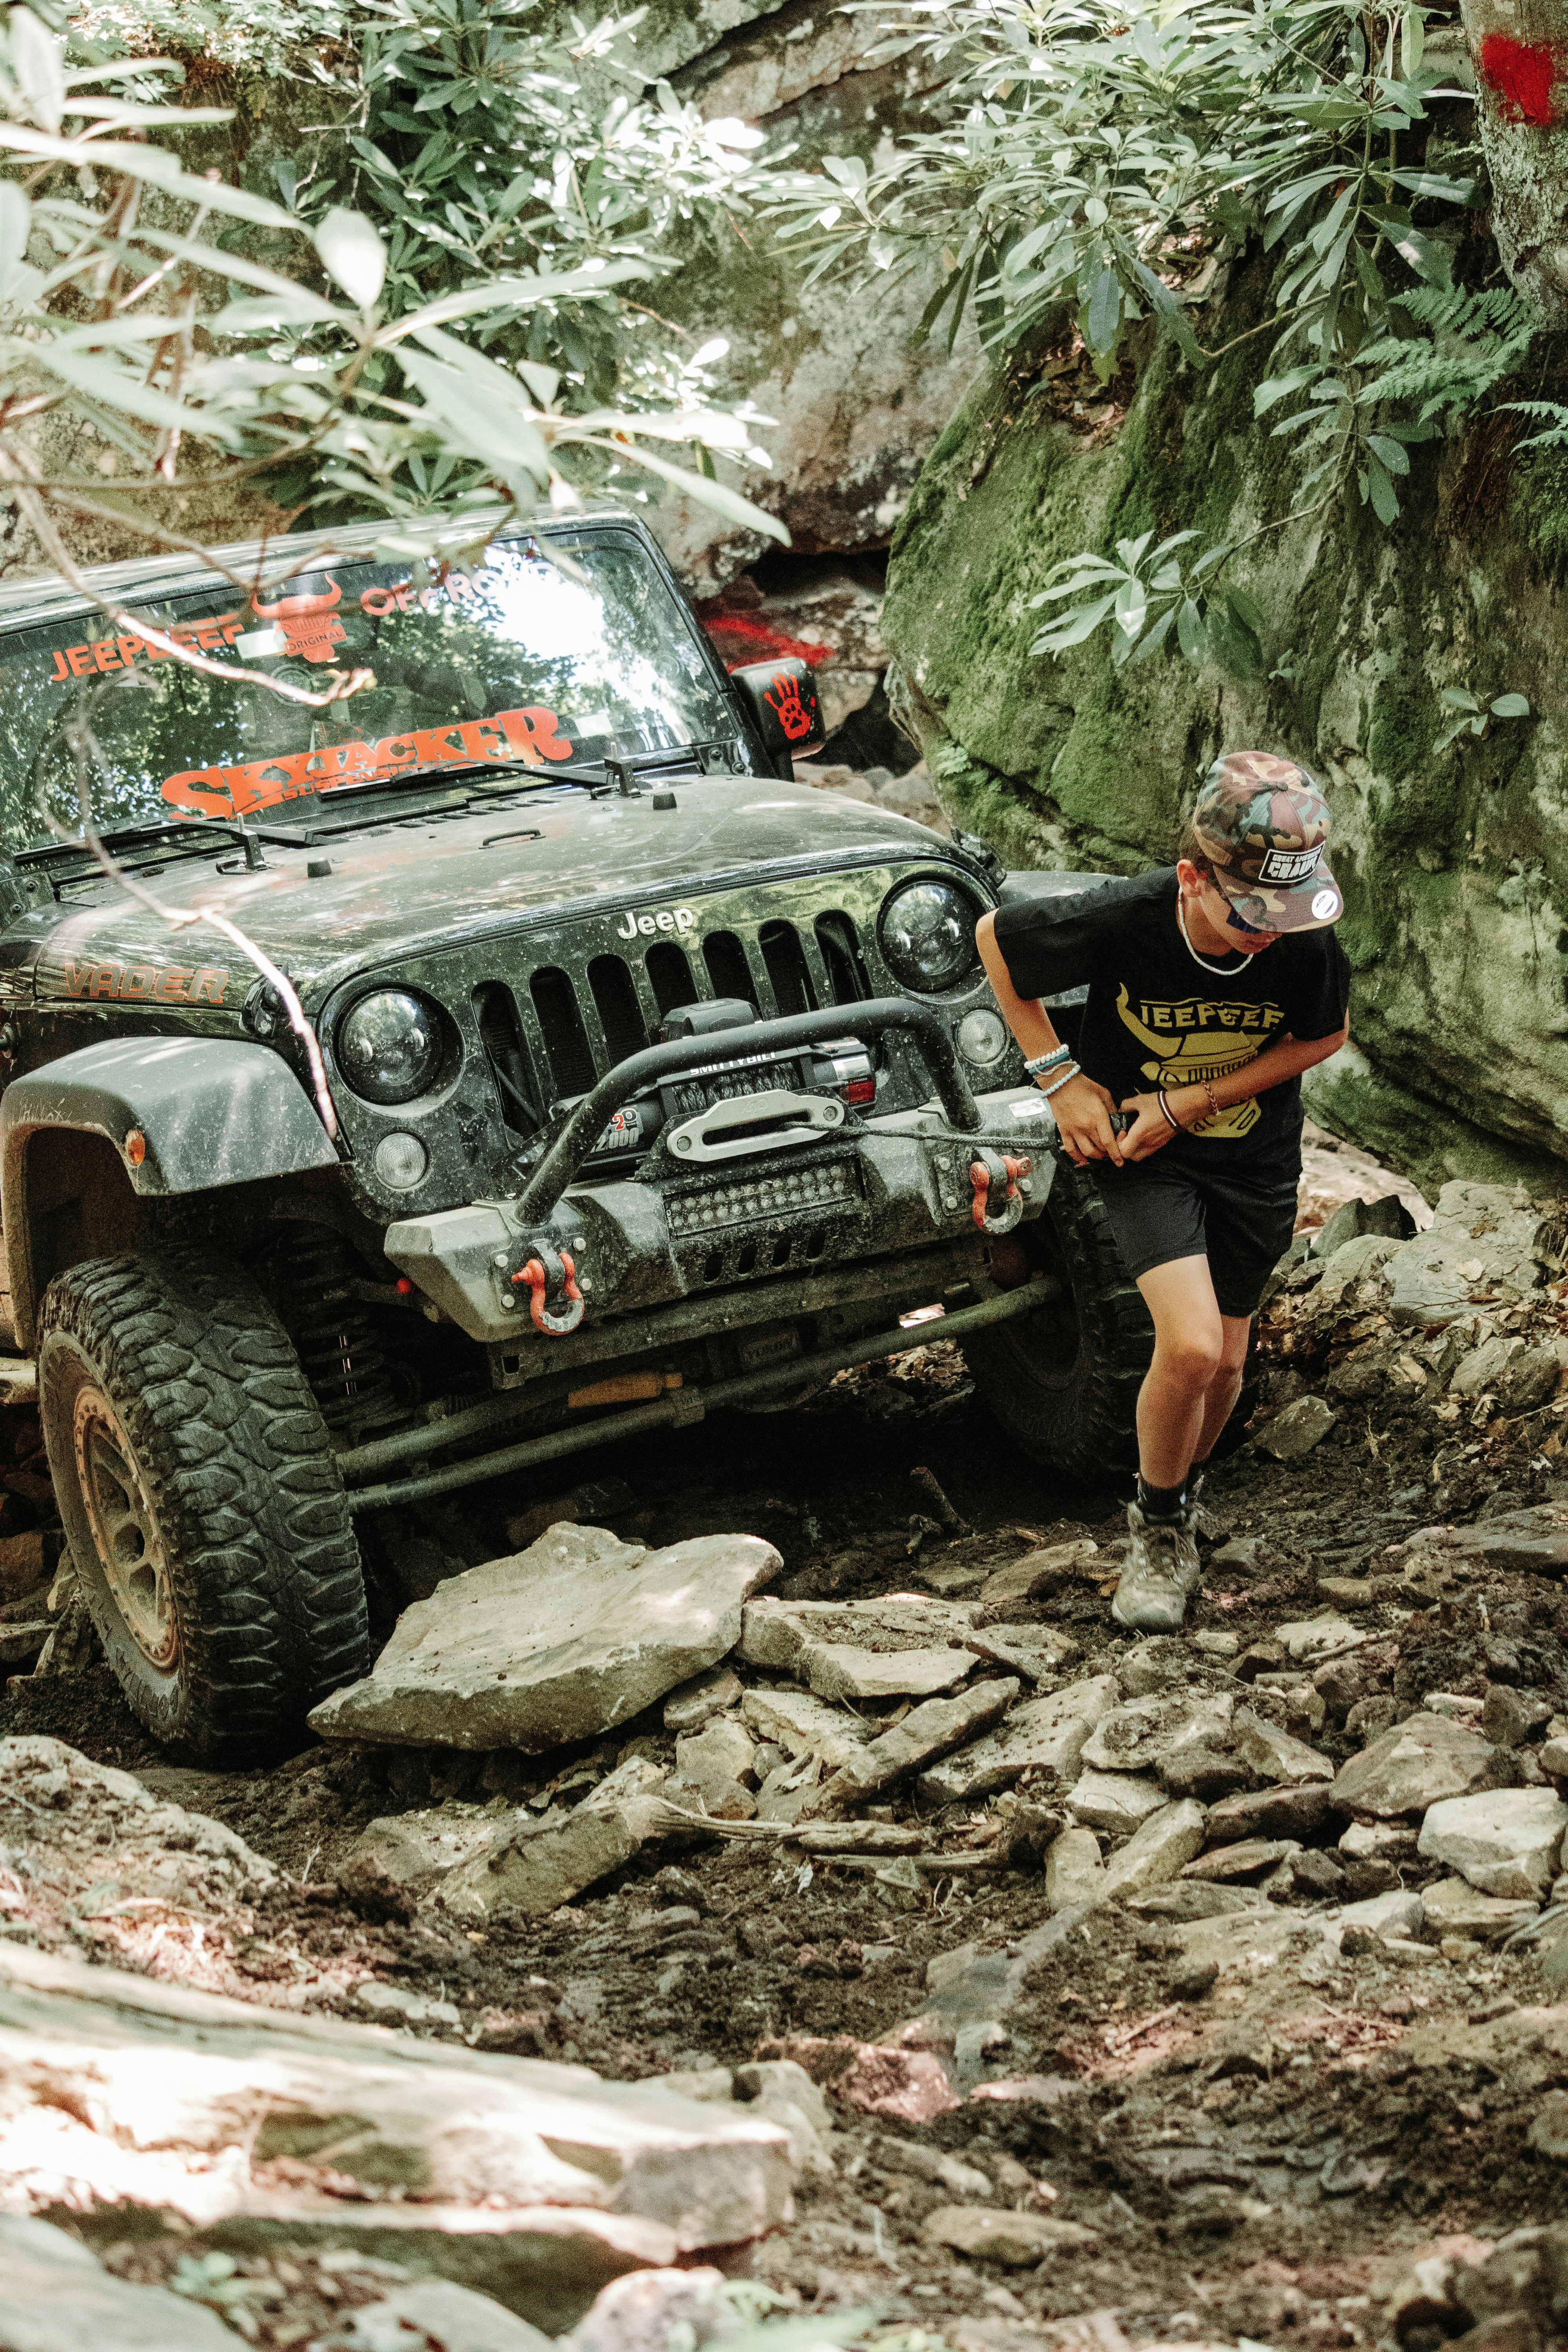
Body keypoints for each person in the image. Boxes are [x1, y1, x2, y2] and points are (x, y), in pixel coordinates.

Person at [976, 752, 1351, 1632]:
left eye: (1284, 911)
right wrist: (1058, 1078)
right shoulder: (1128, 916)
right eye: (1249, 912)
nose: (1270, 932)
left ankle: (1176, 1493)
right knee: (1185, 1349)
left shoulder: (1299, 935)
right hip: (1136, 1153)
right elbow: (997, 938)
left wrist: (1190, 1103)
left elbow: (1322, 1036)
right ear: (1192, 876)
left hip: (1247, 1156)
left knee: (1223, 1363)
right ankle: (1156, 1529)